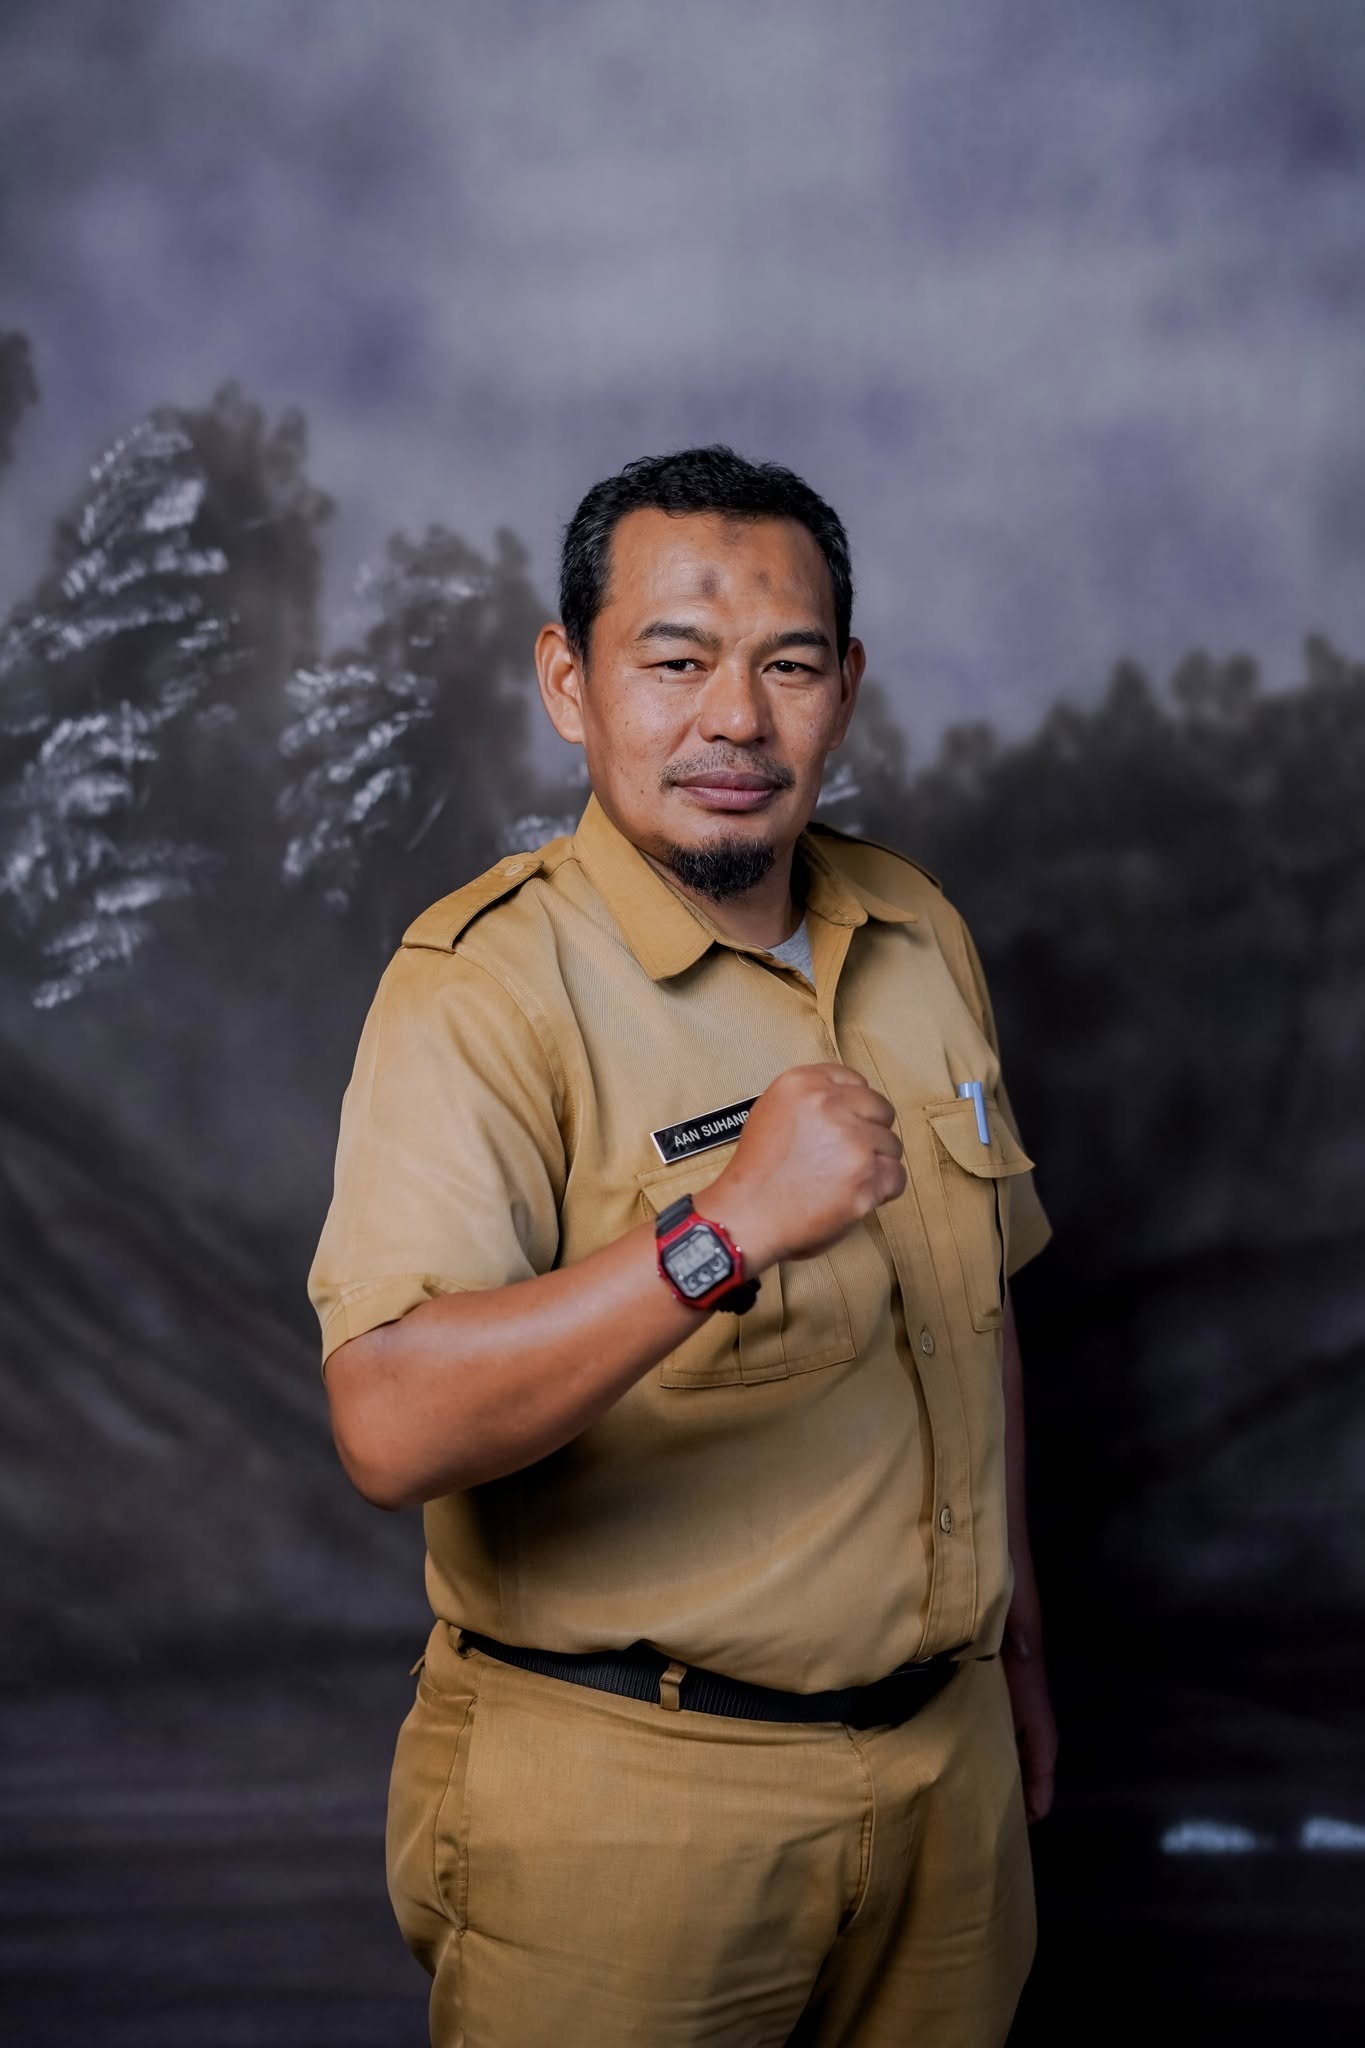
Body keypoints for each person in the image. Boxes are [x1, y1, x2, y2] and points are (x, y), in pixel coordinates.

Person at [307, 444, 1058, 2048]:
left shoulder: (917, 933)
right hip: (629, 1804)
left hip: (948, 1781)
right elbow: (390, 1421)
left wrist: (1014, 1647)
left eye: (787, 665)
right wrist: (724, 1232)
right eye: (674, 662)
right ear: (567, 684)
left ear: (844, 690)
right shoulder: (480, 990)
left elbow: (972, 1313)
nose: (735, 720)